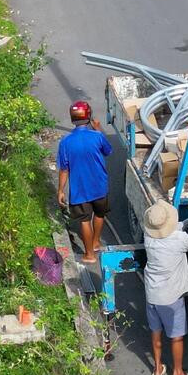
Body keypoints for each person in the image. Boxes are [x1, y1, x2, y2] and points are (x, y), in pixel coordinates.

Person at [141, 199, 188, 375]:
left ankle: (158, 368)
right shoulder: (178, 240)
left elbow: (171, 230)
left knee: (156, 332)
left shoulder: (148, 237)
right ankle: (178, 374)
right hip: (171, 297)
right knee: (176, 336)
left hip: (152, 294)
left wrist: (185, 223)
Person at [56, 99, 113, 267]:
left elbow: (64, 169)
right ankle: (96, 243)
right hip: (100, 187)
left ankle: (89, 255)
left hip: (80, 190)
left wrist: (61, 190)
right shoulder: (97, 136)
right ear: (88, 117)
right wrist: (99, 130)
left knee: (84, 220)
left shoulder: (65, 142)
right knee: (100, 214)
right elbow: (108, 151)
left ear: (72, 118)